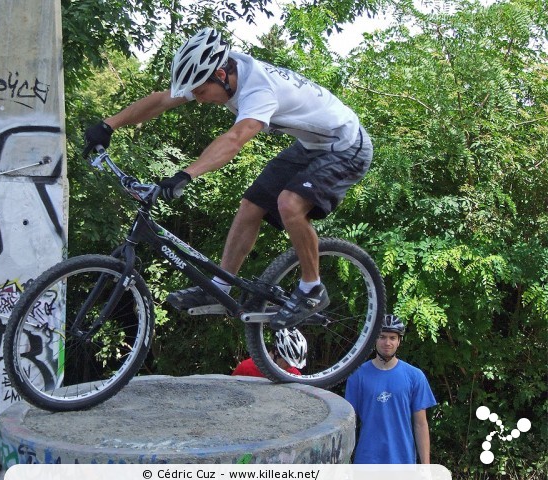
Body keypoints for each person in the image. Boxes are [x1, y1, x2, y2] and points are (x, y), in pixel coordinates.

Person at [84, 28, 373, 330]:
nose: (197, 98)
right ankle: (220, 289)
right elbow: (161, 101)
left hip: (347, 145)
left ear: (222, 74)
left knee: (289, 203)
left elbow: (235, 139)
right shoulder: (216, 69)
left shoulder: (258, 91)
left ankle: (312, 288)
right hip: (312, 145)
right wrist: (108, 125)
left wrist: (186, 174)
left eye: (200, 91)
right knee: (250, 205)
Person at [344, 315, 437, 464]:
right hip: (367, 461)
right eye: (382, 337)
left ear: (399, 341)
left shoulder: (415, 376)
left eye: (392, 338)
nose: (387, 342)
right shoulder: (357, 375)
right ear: (374, 339)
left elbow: (420, 424)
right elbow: (348, 424)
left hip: (403, 462)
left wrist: (426, 466)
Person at [232, 328, 306, 377]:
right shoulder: (246, 368)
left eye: (293, 363)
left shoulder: (294, 374)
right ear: (276, 352)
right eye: (287, 362)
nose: (290, 367)